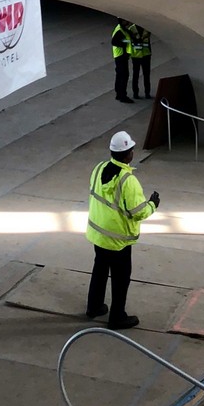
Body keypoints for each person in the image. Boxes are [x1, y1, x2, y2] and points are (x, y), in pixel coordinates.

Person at [85, 130, 160, 329]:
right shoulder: (128, 181)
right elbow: (138, 212)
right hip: (118, 241)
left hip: (99, 235)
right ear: (128, 154)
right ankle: (117, 316)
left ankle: (94, 307)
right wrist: (152, 204)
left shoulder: (99, 168)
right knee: (120, 279)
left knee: (99, 270)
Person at [111, 20, 138, 103]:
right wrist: (125, 44)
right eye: (126, 21)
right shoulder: (120, 30)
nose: (128, 22)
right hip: (120, 56)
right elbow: (114, 42)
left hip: (121, 56)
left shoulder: (122, 29)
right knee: (124, 76)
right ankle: (123, 96)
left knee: (119, 75)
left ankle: (119, 94)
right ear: (122, 21)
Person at [130, 25, 152, 100]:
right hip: (136, 56)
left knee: (146, 75)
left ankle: (147, 93)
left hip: (146, 54)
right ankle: (136, 93)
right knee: (136, 75)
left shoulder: (147, 29)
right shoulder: (131, 29)